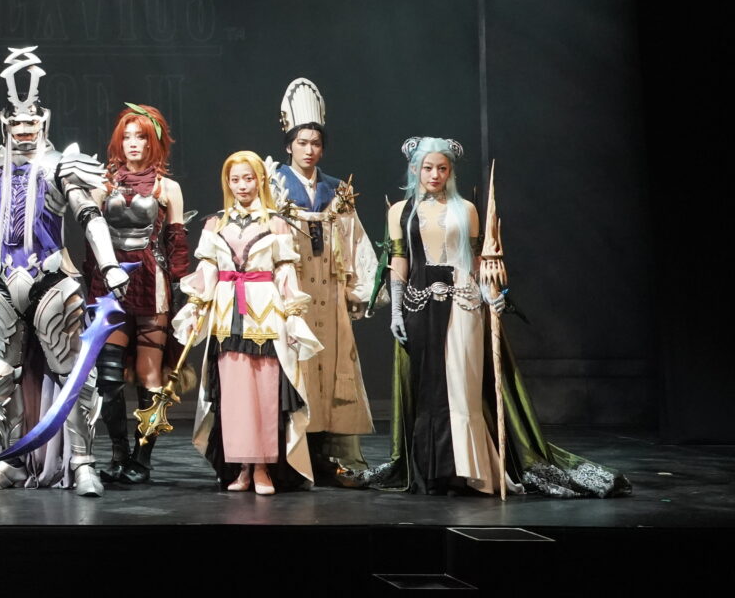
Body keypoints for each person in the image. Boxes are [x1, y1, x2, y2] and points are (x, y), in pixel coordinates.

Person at [370, 138, 629, 498]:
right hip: (419, 304)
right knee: (427, 389)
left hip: (463, 302)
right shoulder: (400, 211)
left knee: (461, 386)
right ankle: (432, 472)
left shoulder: (466, 209)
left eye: (442, 168)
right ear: (415, 169)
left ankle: (468, 470)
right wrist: (396, 310)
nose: (435, 174)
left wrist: (491, 293)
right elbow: (399, 261)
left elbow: (479, 261)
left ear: (450, 171)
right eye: (428, 167)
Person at [0, 48, 130, 496]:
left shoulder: (59, 165)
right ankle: (10, 461)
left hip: (50, 277)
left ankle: (82, 462)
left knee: (72, 373)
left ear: (44, 123)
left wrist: (109, 264)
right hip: (3, 280)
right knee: (0, 375)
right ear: (5, 125)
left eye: (31, 123)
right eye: (17, 124)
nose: (24, 130)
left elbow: (88, 214)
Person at [174, 152, 321, 494]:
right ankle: (241, 467)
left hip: (264, 312)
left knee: (265, 392)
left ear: (260, 180)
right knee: (234, 396)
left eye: (248, 178)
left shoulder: (276, 223)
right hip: (227, 315)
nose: (242, 185)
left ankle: (263, 468)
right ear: (227, 183)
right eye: (235, 179)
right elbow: (208, 270)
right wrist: (196, 307)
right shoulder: (215, 223)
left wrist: (293, 314)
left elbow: (285, 271)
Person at [266, 78, 377, 487]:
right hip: (291, 294)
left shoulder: (336, 191)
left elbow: (354, 240)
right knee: (295, 370)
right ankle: (292, 456)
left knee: (331, 370)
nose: (309, 149)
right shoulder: (273, 186)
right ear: (289, 146)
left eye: (315, 143)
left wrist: (358, 289)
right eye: (302, 142)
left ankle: (330, 456)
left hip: (329, 296)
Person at [88, 102, 191, 485]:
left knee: (150, 376)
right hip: (111, 285)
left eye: (141, 137)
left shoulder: (168, 188)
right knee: (108, 378)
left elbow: (177, 244)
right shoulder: (103, 185)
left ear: (153, 143)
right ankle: (118, 454)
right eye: (127, 136)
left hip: (153, 285)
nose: (133, 143)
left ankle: (142, 459)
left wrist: (182, 295)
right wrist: (93, 287)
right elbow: (91, 242)